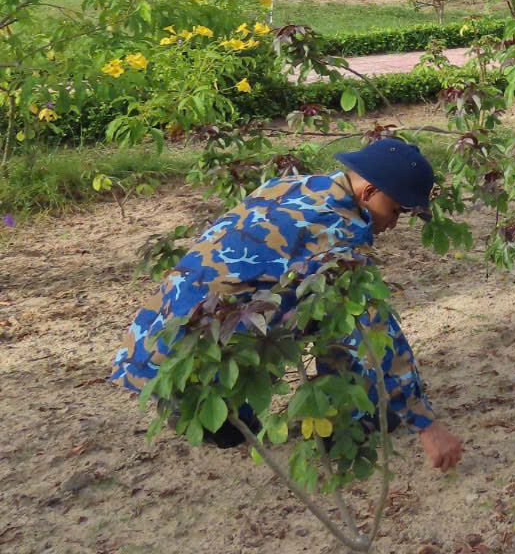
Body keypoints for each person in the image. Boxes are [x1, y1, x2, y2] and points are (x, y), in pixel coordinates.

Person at [110, 138, 463, 471]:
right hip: (200, 353)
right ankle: (342, 421)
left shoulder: (289, 186)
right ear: (369, 192)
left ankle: (207, 405)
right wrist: (425, 423)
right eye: (397, 210)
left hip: (154, 342)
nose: (395, 223)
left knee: (315, 301)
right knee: (346, 319)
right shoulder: (339, 234)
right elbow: (374, 324)